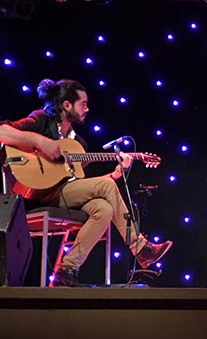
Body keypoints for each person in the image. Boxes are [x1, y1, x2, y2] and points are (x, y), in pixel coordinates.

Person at [1, 78, 173, 287]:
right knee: (106, 192)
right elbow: (2, 132)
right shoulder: (42, 121)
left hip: (63, 195)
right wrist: (41, 141)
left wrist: (117, 174)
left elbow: (85, 185)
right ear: (66, 105)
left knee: (103, 208)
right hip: (35, 195)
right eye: (83, 103)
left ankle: (67, 270)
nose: (87, 108)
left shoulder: (78, 144)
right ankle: (141, 248)